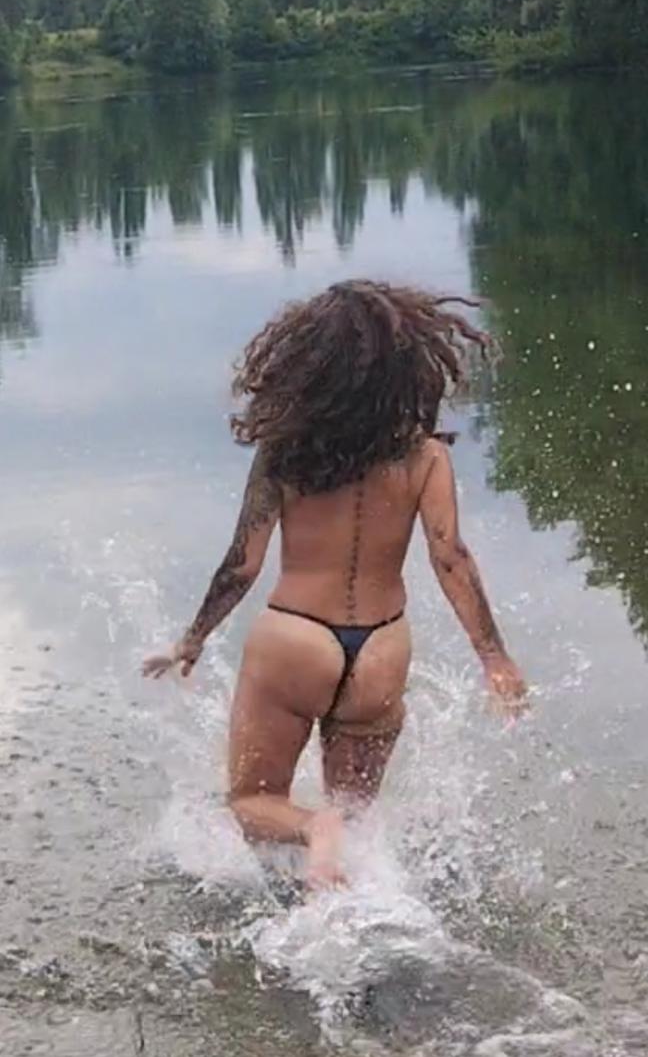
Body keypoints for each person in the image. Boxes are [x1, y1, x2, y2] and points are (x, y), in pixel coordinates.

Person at [143, 280, 526, 886]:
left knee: (252, 803)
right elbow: (450, 556)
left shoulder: (285, 452)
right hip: (382, 649)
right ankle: (350, 909)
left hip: (295, 640)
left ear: (307, 362)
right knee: (358, 826)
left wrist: (192, 639)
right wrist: (494, 658)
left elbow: (242, 564)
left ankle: (311, 832)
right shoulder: (426, 456)